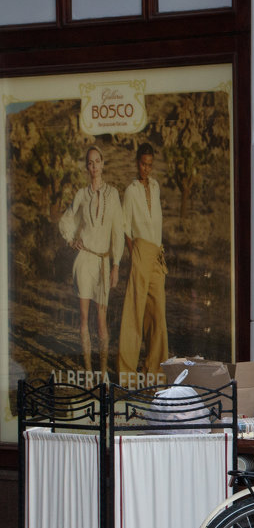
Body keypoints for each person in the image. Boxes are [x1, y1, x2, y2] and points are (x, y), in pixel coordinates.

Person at [58, 146, 124, 378]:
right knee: (84, 318)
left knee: (101, 320)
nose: (94, 166)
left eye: (97, 161)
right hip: (84, 260)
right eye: (89, 163)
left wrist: (116, 264)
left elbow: (118, 231)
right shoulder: (81, 195)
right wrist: (71, 240)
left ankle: (103, 372)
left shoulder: (113, 195)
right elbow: (66, 220)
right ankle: (88, 372)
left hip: (103, 263)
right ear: (87, 167)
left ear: (103, 164)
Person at [118, 143, 169, 384]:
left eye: (150, 164)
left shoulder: (157, 188)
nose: (146, 169)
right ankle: (127, 373)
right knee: (134, 313)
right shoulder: (130, 191)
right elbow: (125, 227)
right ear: (136, 162)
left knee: (158, 313)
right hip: (140, 251)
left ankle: (155, 370)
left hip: (157, 255)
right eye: (142, 164)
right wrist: (133, 254)